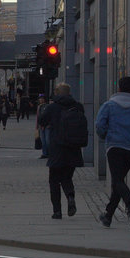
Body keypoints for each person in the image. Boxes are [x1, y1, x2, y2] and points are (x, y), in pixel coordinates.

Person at [39, 83, 85, 219]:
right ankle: (70, 197)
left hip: (57, 148)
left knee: (54, 180)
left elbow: (42, 120)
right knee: (67, 177)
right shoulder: (78, 106)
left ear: (57, 93)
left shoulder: (53, 107)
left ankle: (57, 211)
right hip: (73, 148)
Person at [95, 75, 130, 227]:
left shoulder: (109, 105)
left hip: (115, 146)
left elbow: (100, 125)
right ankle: (108, 215)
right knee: (119, 180)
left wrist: (105, 135)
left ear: (119, 88)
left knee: (117, 180)